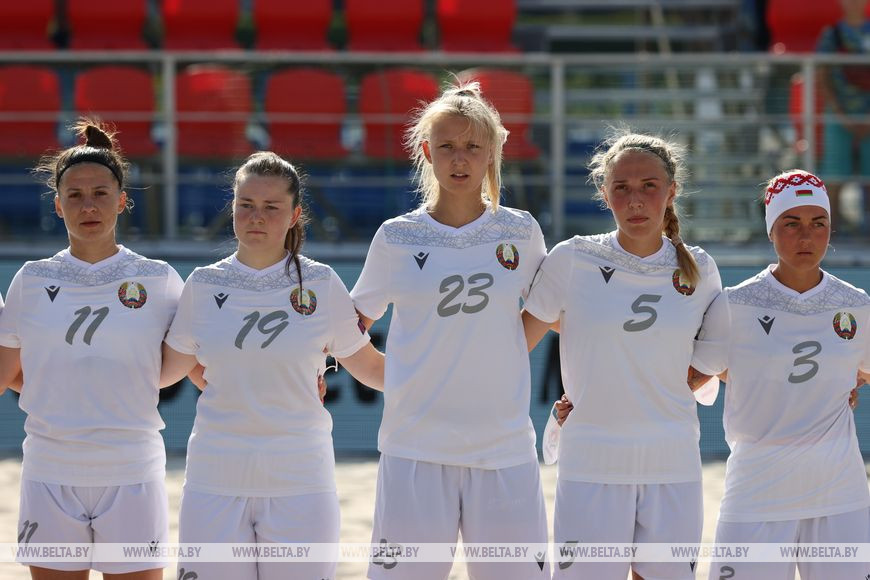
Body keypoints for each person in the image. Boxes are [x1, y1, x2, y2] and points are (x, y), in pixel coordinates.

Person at [350, 81, 550, 579]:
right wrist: (393, 377)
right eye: (446, 147)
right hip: (415, 448)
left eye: (472, 147)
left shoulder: (521, 231)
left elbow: (547, 311)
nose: (460, 159)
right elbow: (353, 328)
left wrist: (503, 351)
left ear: (493, 152)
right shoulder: (397, 237)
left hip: (503, 449)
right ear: (426, 152)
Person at [159, 151, 385, 580]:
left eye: (271, 206)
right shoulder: (203, 285)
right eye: (245, 204)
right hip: (215, 478)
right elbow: (166, 369)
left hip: (300, 479)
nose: (256, 216)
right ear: (232, 208)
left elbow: (372, 370)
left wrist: (449, 373)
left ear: (295, 214)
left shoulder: (321, 283)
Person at [522, 131, 723, 580]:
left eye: (649, 186)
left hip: (672, 462)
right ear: (604, 193)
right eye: (622, 187)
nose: (635, 200)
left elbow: (723, 360)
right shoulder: (573, 258)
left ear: (671, 192)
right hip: (592, 461)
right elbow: (514, 346)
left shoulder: (701, 270)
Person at [0, 119, 183, 579]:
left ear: (122, 200)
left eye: (101, 193)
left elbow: (201, 364)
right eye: (75, 195)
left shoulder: (159, 278)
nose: (88, 206)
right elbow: (8, 374)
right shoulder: (31, 279)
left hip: (133, 471)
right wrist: (51, 390)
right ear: (57, 205)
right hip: (50, 471)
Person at [692, 169, 870, 580]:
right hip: (757, 492)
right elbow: (691, 377)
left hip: (839, 496)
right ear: (771, 230)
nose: (806, 236)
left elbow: (859, 369)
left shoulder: (856, 304)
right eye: (791, 223)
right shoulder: (734, 304)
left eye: (818, 223)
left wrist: (844, 382)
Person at [816, 0, 870, 231]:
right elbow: (822, 77)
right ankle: (832, 231)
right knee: (834, 175)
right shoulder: (831, 35)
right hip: (838, 116)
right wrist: (841, 116)